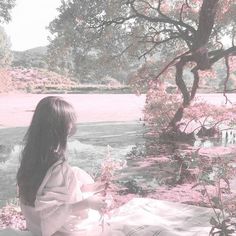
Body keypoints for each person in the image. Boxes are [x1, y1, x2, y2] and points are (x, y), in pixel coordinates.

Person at [17, 96, 108, 236]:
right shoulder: (57, 166)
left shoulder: (30, 156)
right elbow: (51, 212)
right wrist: (87, 203)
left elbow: (45, 193)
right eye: (69, 122)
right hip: (58, 230)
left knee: (77, 174)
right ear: (59, 127)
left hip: (35, 224)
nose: (71, 125)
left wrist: (87, 188)